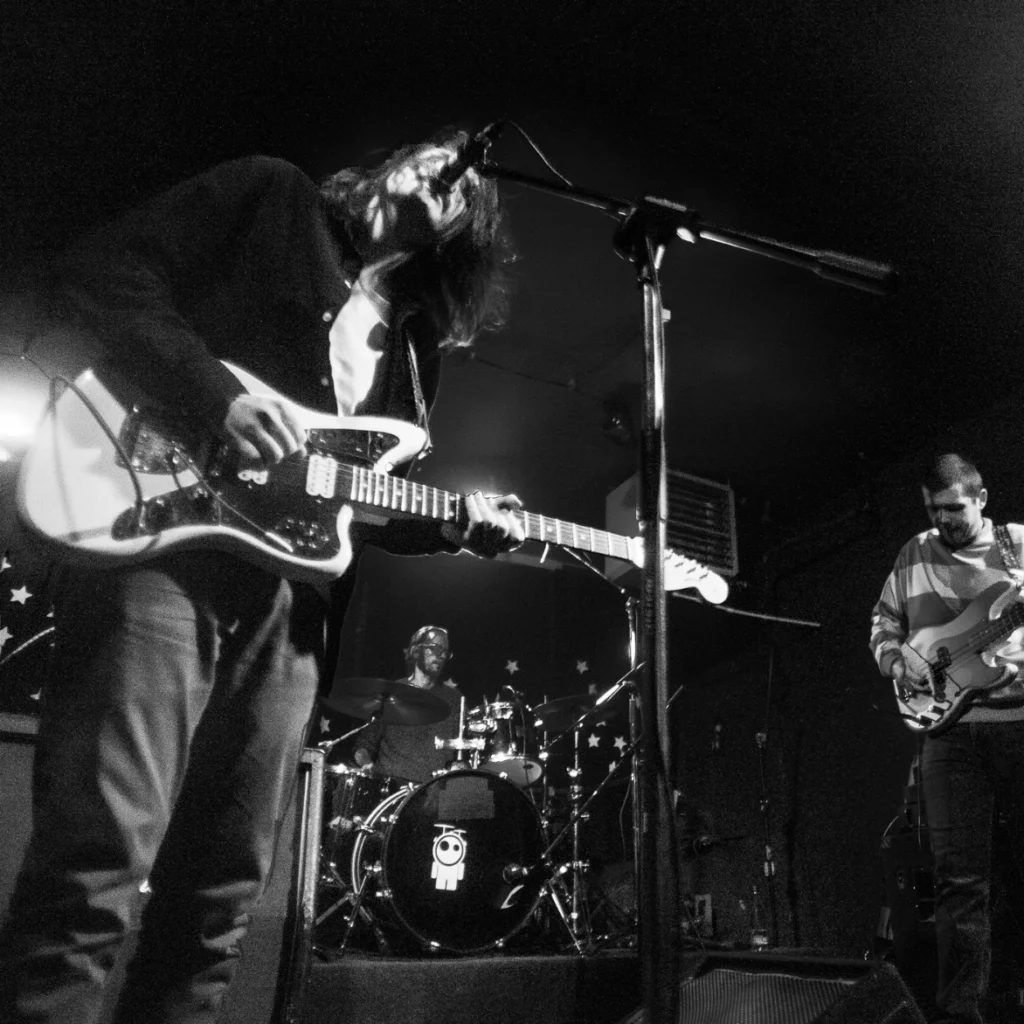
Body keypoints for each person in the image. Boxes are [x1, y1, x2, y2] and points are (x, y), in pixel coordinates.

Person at [0, 129, 526, 1024]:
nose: (452, 165)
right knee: (95, 865)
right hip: (162, 553)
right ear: (394, 162)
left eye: (468, 183)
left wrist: (453, 526)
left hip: (292, 612)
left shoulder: (412, 348)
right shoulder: (272, 198)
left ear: (460, 230)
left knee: (218, 902)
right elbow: (106, 271)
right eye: (441, 150)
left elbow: (360, 501)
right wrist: (219, 396)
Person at [870, 453, 1024, 1024]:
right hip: (948, 733)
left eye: (955, 508)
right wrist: (897, 662)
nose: (944, 520)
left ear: (981, 498)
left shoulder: (1017, 545)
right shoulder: (914, 552)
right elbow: (883, 623)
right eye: (934, 510)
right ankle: (961, 1016)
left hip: (1018, 720)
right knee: (959, 883)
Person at [348, 624, 464, 783]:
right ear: (416, 651)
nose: (442, 655)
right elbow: (362, 747)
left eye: (445, 651)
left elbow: (464, 753)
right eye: (435, 648)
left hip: (435, 791)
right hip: (390, 790)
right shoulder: (390, 693)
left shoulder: (455, 700)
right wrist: (366, 764)